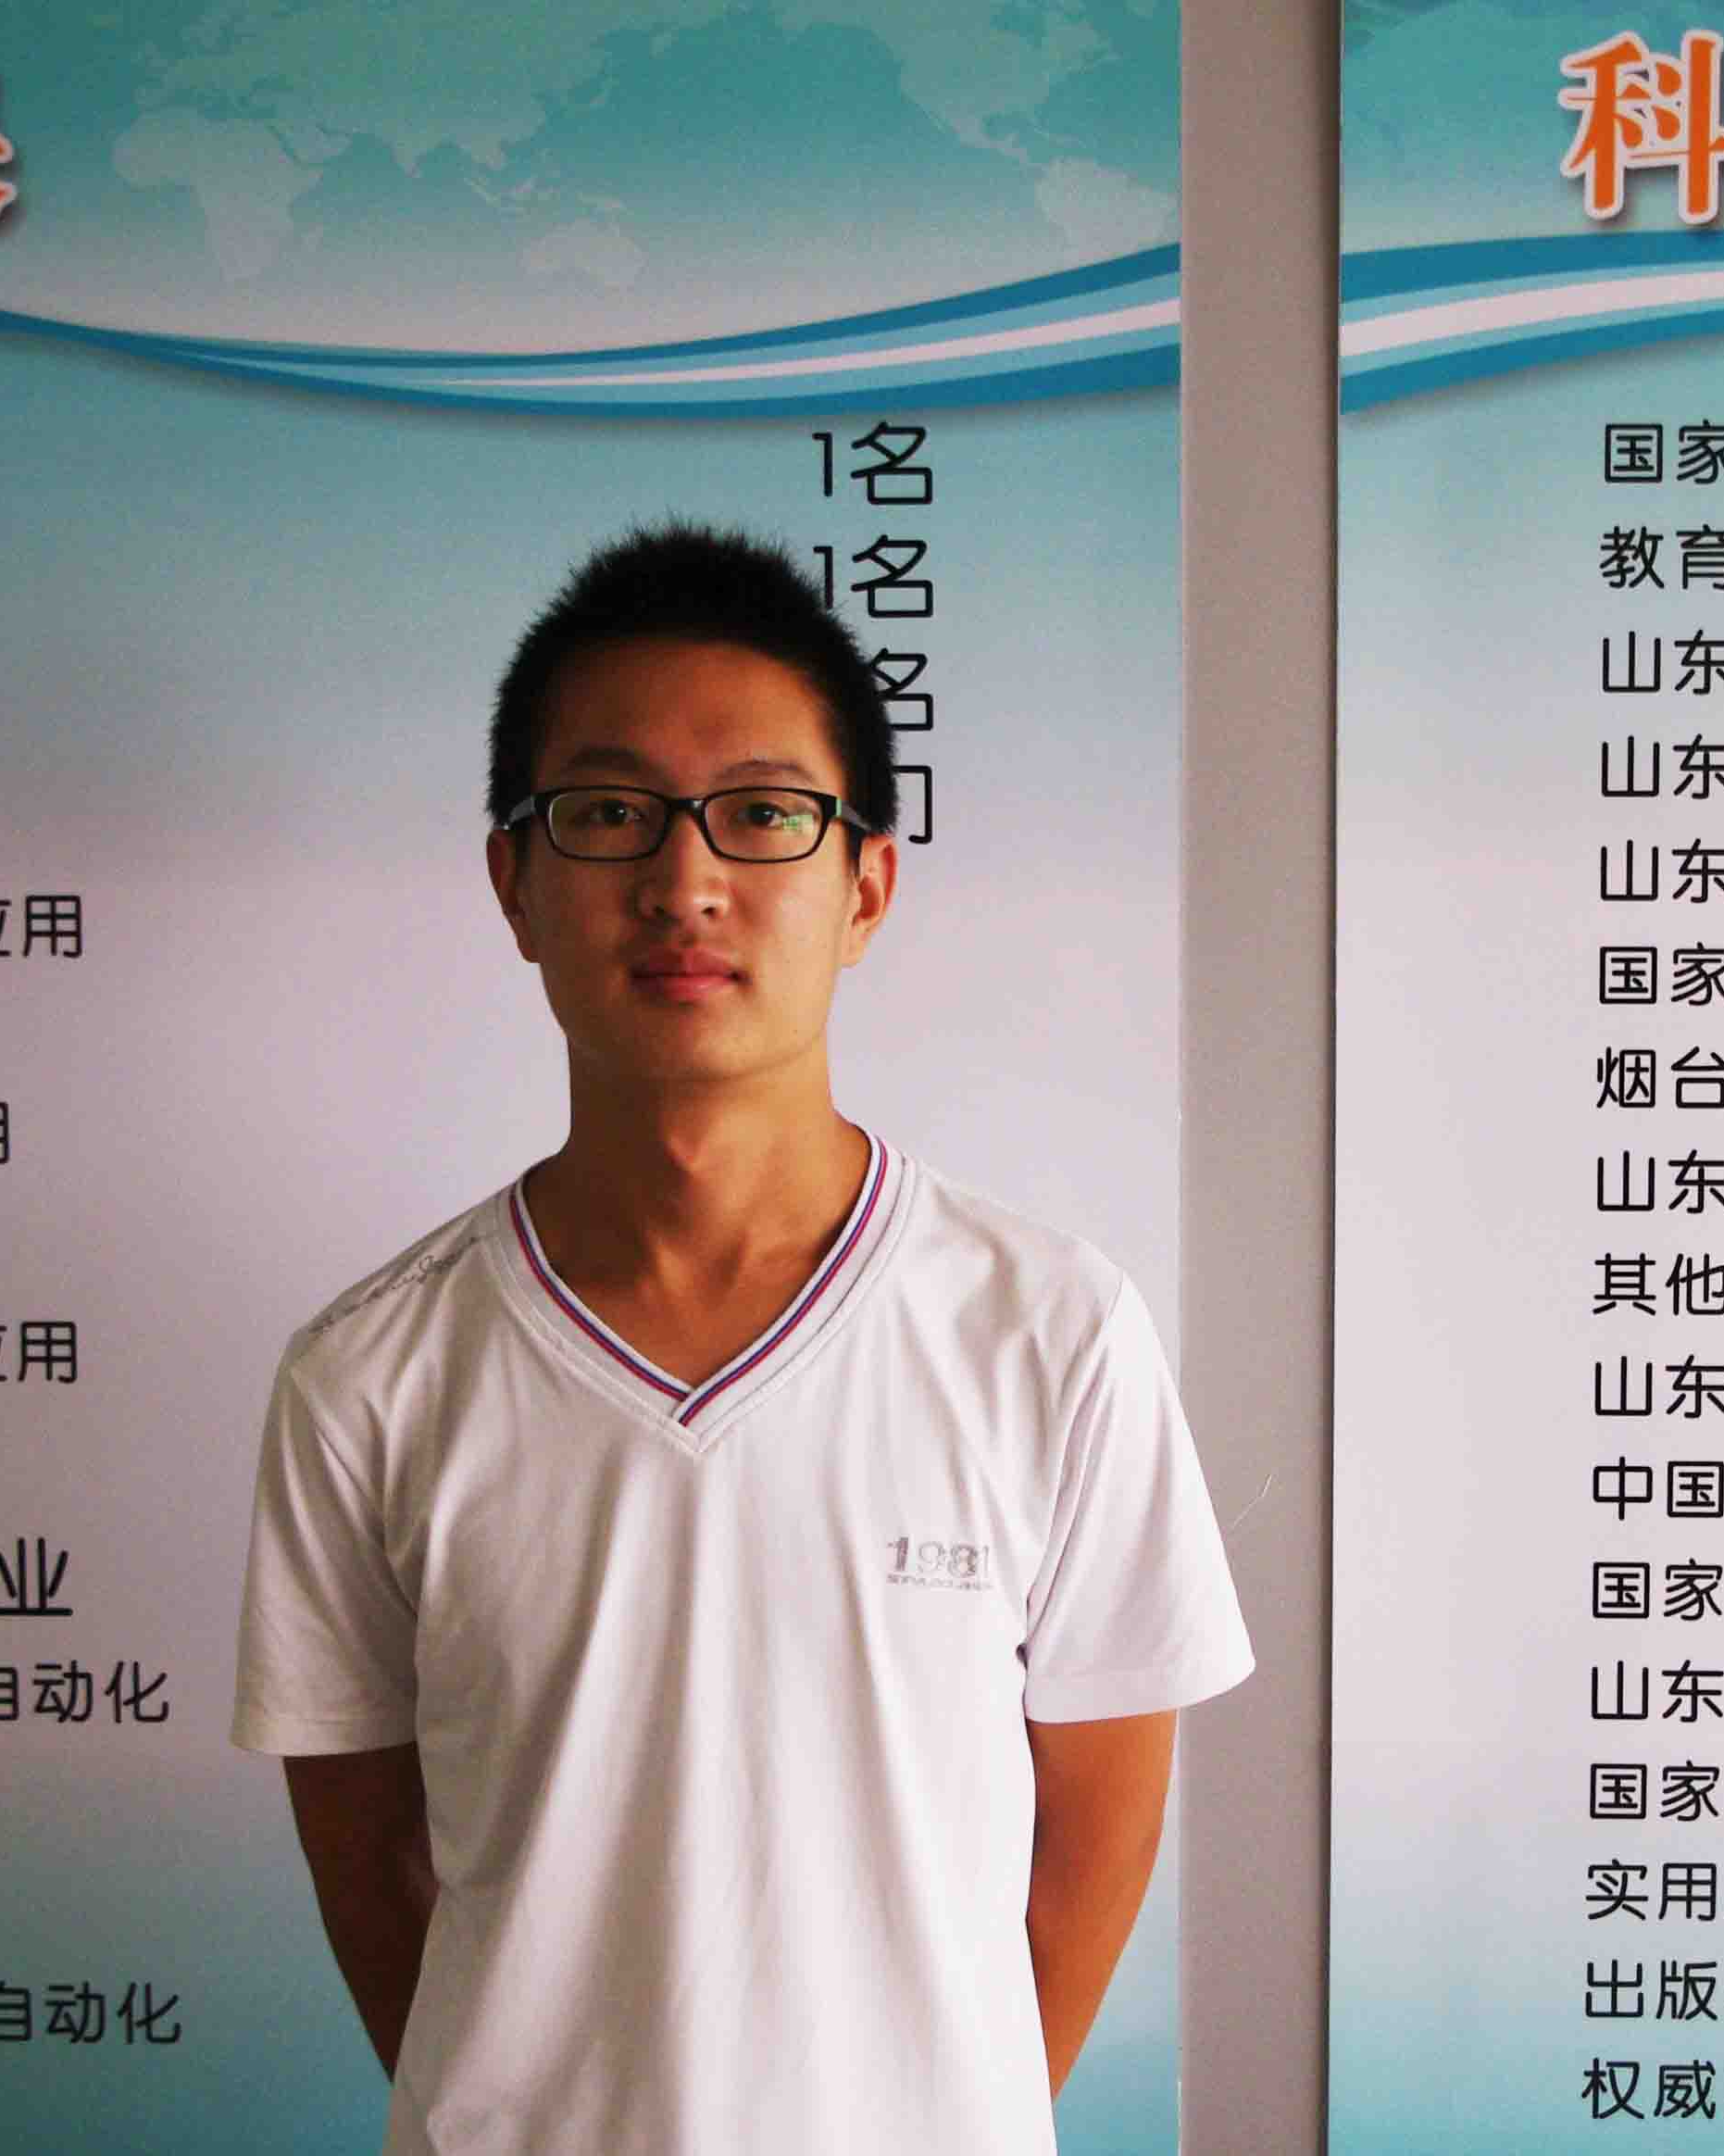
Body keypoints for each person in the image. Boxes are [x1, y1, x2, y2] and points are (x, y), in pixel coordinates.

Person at [232, 521, 1251, 2154]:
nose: (684, 881)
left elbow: (1090, 1853)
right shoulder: (369, 1376)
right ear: (514, 884)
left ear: (865, 888)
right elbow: (369, 1870)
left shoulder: (1052, 1333)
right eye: (609, 813)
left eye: (764, 813)